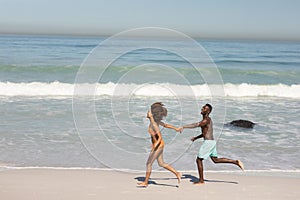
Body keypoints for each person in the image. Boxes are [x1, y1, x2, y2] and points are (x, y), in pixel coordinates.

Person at [179, 103, 244, 185]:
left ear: (208, 111)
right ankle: (235, 162)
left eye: (205, 108)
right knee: (215, 160)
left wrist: (184, 127)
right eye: (203, 107)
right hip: (211, 142)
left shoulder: (206, 120)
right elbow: (205, 133)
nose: (202, 109)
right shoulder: (207, 120)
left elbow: (196, 125)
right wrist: (196, 138)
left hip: (208, 142)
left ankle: (201, 180)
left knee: (198, 160)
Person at [138, 102, 181, 187]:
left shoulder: (154, 124)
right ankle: (177, 173)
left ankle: (146, 182)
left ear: (151, 114)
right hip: (160, 145)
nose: (147, 113)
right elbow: (165, 125)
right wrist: (176, 128)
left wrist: (154, 146)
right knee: (161, 163)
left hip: (158, 146)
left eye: (149, 112)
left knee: (148, 164)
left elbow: (160, 137)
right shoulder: (155, 121)